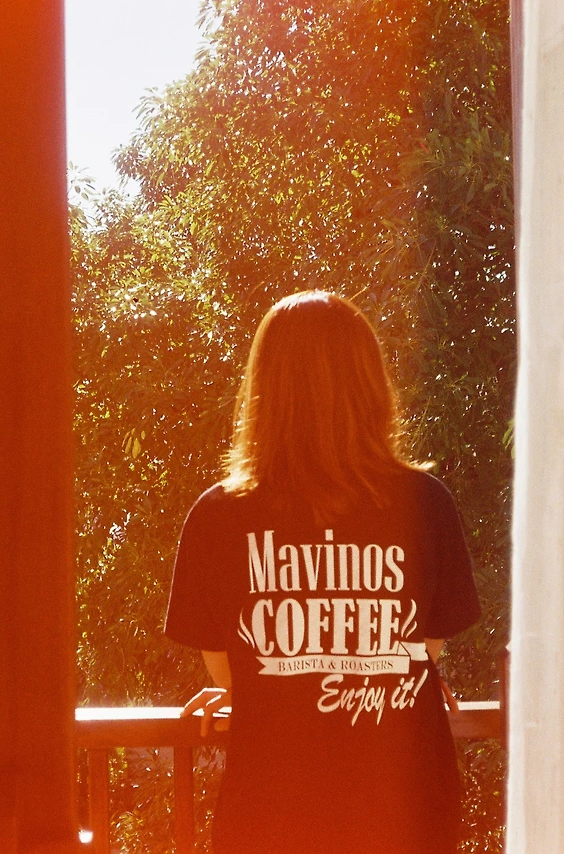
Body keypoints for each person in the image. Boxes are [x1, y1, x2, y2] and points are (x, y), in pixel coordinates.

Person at [164, 290, 481, 854]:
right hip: (407, 816)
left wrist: (274, 687)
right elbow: (425, 650)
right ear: (371, 386)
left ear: (263, 389)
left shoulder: (217, 516)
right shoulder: (427, 503)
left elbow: (228, 671)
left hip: (272, 817)